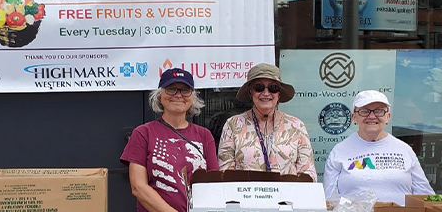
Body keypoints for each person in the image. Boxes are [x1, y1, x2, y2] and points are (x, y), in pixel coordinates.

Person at [120, 68, 219, 212]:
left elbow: (213, 184)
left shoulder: (204, 135)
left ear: (192, 97)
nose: (178, 95)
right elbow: (138, 187)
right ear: (160, 96)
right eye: (171, 89)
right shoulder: (143, 133)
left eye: (185, 90)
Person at [323, 90, 434, 205]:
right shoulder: (339, 151)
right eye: (364, 111)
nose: (372, 116)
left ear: (388, 117)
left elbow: (425, 196)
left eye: (379, 111)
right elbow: (329, 200)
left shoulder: (404, 150)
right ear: (354, 117)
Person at [218, 63, 317, 181]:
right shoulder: (233, 125)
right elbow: (225, 172)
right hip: (246, 197)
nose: (266, 93)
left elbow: (307, 173)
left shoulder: (296, 126)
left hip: (287, 197)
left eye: (273, 88)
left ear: (279, 93)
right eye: (259, 87)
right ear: (250, 92)